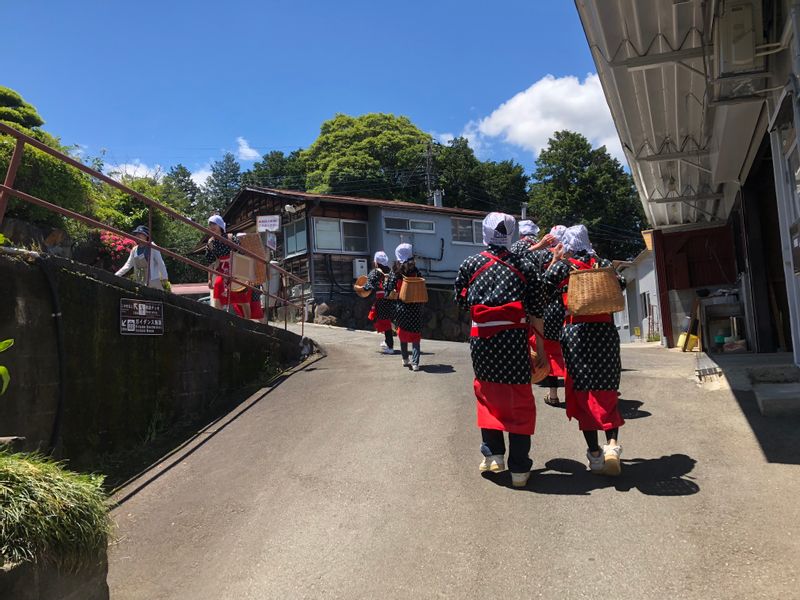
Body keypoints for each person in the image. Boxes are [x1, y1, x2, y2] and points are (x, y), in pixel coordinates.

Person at [455, 213, 547, 488]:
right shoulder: (525, 265)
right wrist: (539, 347)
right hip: (514, 341)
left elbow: (459, 299)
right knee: (518, 399)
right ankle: (519, 469)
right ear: (511, 234)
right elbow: (537, 309)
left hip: (482, 341)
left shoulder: (471, 263)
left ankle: (494, 455)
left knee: (488, 395)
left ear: (485, 233)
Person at [543, 224, 626, 476]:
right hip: (605, 332)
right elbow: (620, 284)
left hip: (576, 332)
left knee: (583, 390)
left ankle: (595, 456)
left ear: (567, 243)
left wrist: (554, 260)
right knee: (607, 387)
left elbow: (545, 288)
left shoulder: (563, 265)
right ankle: (612, 445)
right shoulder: (602, 263)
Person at [385, 243, 424, 371]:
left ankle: (405, 359)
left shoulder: (395, 271)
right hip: (415, 306)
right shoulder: (416, 270)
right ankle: (415, 363)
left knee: (403, 333)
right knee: (415, 335)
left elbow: (389, 288)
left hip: (400, 306)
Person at [205, 215, 250, 312]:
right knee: (217, 286)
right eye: (210, 224)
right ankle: (220, 316)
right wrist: (209, 279)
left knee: (241, 293)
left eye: (214, 224)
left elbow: (242, 254)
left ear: (220, 225)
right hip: (221, 269)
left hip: (235, 267)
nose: (211, 227)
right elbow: (210, 262)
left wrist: (245, 272)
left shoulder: (230, 237)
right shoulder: (211, 242)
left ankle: (248, 319)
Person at [115, 225, 170, 290]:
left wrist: (164, 277)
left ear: (146, 236)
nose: (138, 236)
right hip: (140, 280)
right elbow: (128, 265)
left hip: (152, 280)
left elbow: (160, 262)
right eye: (137, 234)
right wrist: (116, 275)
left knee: (157, 298)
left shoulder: (153, 247)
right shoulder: (134, 249)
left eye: (140, 234)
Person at [362, 251, 395, 354]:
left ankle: (390, 346)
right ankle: (387, 342)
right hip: (391, 300)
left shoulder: (375, 272)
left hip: (381, 301)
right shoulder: (390, 271)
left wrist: (361, 287)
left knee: (385, 323)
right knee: (387, 322)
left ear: (376, 262)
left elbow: (368, 286)